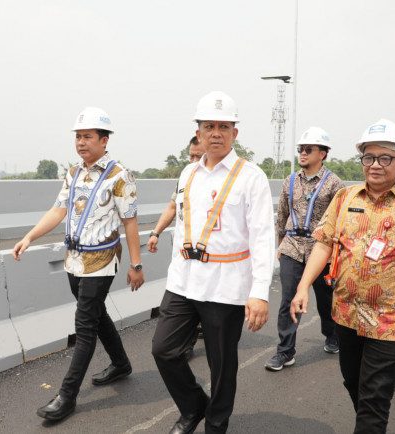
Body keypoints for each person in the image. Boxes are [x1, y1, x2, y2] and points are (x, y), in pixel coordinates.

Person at [290, 118, 395, 434]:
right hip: (346, 316)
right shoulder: (345, 199)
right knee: (354, 383)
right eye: (368, 158)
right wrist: (303, 286)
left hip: (391, 320)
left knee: (374, 400)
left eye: (384, 158)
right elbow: (323, 244)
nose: (375, 165)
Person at [151, 91, 274, 434]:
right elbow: (183, 224)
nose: (216, 133)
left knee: (222, 365)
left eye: (224, 126)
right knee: (164, 350)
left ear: (235, 133)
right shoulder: (188, 174)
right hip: (184, 280)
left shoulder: (251, 176)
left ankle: (215, 424)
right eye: (209, 126)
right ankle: (193, 407)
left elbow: (263, 237)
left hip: (227, 285)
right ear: (199, 133)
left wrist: (259, 292)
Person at [12, 107, 145, 422]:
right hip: (74, 258)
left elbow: (130, 222)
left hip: (101, 259)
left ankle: (66, 396)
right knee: (96, 315)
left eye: (88, 136)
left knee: (84, 326)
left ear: (103, 139)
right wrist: (30, 237)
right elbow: (58, 210)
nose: (81, 142)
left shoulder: (119, 175)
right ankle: (121, 363)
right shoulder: (73, 173)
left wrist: (136, 265)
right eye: (78, 136)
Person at [265, 127, 344, 372]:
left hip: (321, 250)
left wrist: (336, 254)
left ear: (323, 153)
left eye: (309, 149)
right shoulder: (290, 181)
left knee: (325, 300)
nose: (303, 153)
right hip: (292, 247)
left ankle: (331, 335)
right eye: (301, 149)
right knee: (288, 299)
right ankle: (285, 351)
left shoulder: (334, 184)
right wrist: (280, 245)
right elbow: (282, 214)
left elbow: (339, 221)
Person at [147, 136, 207, 361]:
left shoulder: (222, 181)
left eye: (198, 156)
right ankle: (186, 343)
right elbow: (173, 206)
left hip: (211, 257)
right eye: (190, 155)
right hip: (184, 254)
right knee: (184, 299)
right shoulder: (186, 176)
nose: (193, 160)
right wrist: (155, 232)